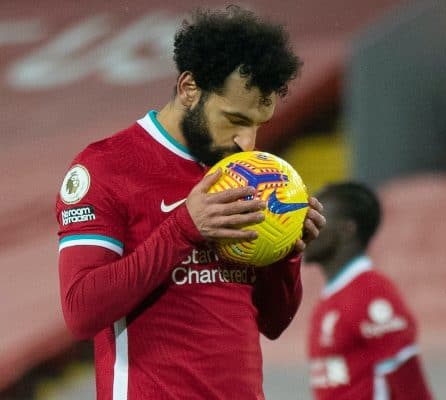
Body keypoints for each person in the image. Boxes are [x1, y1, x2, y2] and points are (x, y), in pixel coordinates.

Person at [55, 6, 326, 400]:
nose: (246, 142)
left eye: (257, 125)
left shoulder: (250, 175)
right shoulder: (107, 168)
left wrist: (284, 252)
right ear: (189, 88)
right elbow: (81, 312)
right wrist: (184, 229)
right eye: (234, 119)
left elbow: (272, 321)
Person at [304, 182, 433, 400]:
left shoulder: (372, 294)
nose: (305, 227)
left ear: (347, 229)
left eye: (316, 218)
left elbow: (412, 387)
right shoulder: (332, 297)